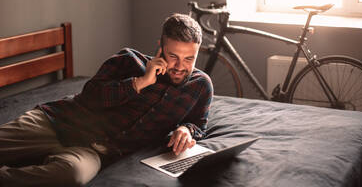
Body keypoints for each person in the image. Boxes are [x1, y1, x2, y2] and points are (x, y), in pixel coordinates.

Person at [0, 13, 213, 187]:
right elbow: (90, 96)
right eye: (173, 56)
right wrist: (140, 82)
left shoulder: (201, 86)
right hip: (57, 121)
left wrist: (186, 129)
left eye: (189, 59)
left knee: (72, 176)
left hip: (94, 152)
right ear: (160, 47)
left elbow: (198, 124)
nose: (179, 66)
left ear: (197, 54)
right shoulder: (128, 60)